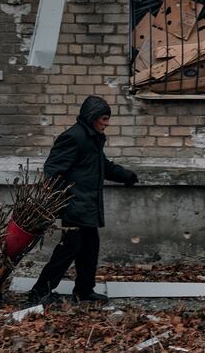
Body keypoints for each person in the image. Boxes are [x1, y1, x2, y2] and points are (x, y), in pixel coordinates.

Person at [29, 95, 138, 304]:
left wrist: (126, 176)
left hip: (86, 206)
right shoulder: (74, 137)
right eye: (104, 119)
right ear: (92, 117)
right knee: (68, 250)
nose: (106, 124)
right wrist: (60, 200)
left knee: (89, 249)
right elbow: (52, 170)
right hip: (74, 206)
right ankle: (40, 291)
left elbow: (103, 166)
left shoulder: (91, 138)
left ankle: (84, 291)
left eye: (107, 119)